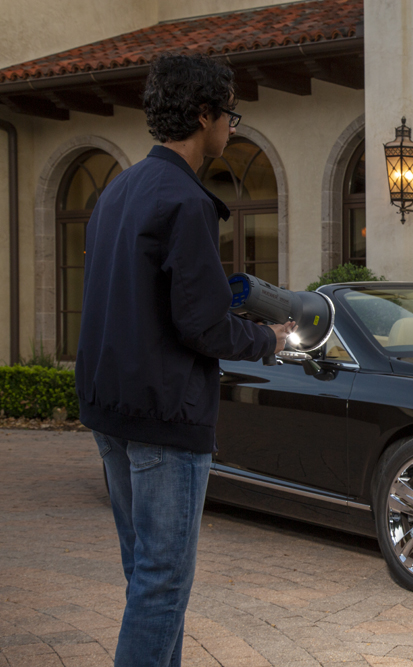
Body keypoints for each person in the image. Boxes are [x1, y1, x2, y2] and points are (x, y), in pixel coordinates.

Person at [75, 54, 295, 667]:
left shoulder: (117, 191)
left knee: (146, 578)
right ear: (205, 115)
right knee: (162, 584)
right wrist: (270, 340)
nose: (233, 124)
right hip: (165, 419)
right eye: (230, 112)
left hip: (110, 411)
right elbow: (200, 324)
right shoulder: (187, 202)